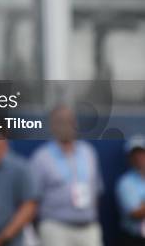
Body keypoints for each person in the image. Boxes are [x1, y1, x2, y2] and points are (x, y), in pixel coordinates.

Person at [30, 105, 103, 246]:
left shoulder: (88, 152)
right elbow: (33, 199)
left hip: (88, 227)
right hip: (56, 228)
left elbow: (96, 191)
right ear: (52, 126)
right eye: (60, 121)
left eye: (70, 120)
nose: (66, 125)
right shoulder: (41, 158)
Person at [116, 134, 145, 246]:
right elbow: (135, 213)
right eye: (134, 154)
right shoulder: (125, 182)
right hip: (134, 240)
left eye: (141, 153)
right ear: (130, 158)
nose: (139, 157)